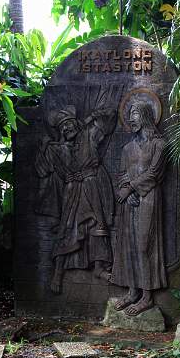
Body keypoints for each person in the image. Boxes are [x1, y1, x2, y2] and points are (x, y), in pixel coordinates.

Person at [35, 105, 115, 293]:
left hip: (93, 186)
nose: (65, 129)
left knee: (97, 226)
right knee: (68, 228)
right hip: (72, 191)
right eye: (62, 127)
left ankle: (99, 267)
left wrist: (92, 116)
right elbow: (43, 170)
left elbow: (110, 116)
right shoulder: (58, 149)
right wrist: (44, 147)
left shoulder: (90, 134)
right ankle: (58, 272)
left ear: (76, 123)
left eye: (68, 124)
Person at [112, 102, 168, 316]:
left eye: (135, 113)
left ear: (145, 116)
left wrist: (131, 188)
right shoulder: (127, 148)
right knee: (130, 245)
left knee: (145, 245)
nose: (131, 118)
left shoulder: (159, 145)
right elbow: (121, 175)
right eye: (129, 114)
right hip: (131, 201)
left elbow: (154, 174)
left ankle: (147, 297)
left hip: (150, 198)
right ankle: (132, 291)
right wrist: (127, 191)